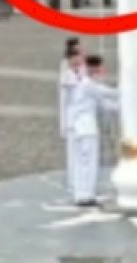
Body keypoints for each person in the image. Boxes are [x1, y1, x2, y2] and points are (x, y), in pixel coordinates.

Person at [69, 55, 119, 207]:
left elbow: (105, 104)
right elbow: (108, 93)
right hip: (86, 128)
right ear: (94, 68)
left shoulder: (85, 84)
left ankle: (82, 193)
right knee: (88, 162)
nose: (102, 71)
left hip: (80, 128)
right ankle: (86, 194)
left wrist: (121, 106)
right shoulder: (88, 84)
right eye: (100, 68)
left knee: (83, 162)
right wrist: (129, 90)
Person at [59, 38, 83, 195]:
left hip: (82, 119)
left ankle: (81, 180)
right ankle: (73, 181)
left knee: (82, 152)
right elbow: (64, 101)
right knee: (73, 152)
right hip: (72, 118)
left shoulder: (81, 70)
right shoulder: (66, 74)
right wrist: (64, 124)